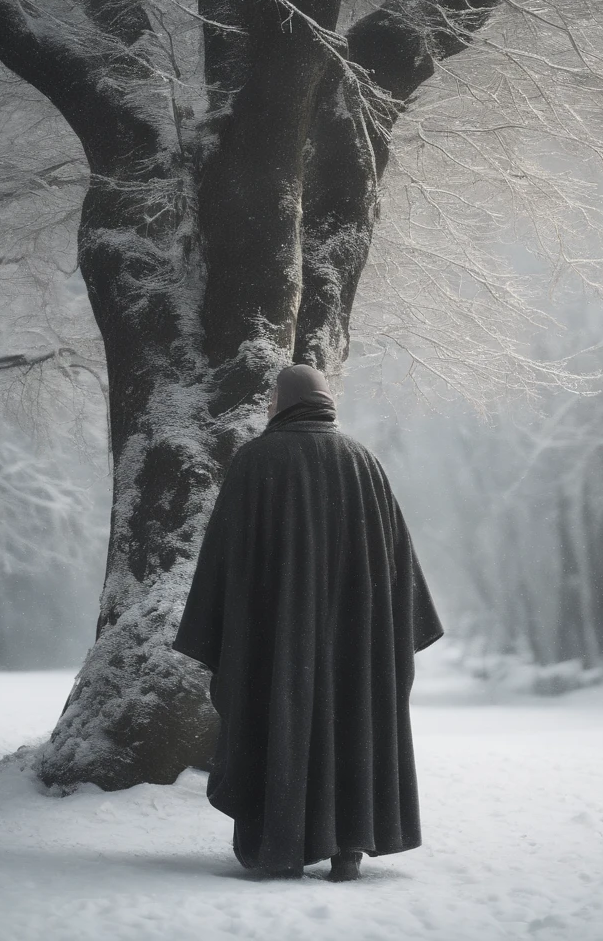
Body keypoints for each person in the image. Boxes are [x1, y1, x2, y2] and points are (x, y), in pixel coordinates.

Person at [173, 364, 443, 881]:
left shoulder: (256, 462)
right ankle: (348, 848)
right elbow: (396, 563)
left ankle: (281, 844)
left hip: (275, 636)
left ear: (288, 402)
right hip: (355, 641)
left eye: (273, 398)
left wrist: (231, 625)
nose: (269, 407)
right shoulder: (364, 463)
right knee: (352, 724)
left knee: (278, 719)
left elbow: (226, 561)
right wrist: (381, 627)